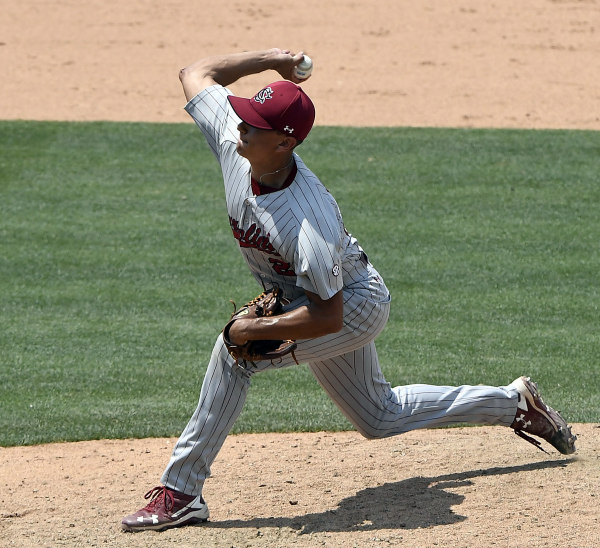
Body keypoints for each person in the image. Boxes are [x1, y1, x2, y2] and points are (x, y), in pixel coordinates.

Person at [121, 48, 576, 532]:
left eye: (254, 124)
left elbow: (329, 317)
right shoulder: (239, 142)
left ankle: (181, 492)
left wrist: (258, 327)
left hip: (353, 304)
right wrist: (272, 59)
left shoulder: (307, 221)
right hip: (310, 295)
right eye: (243, 116)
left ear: (283, 143)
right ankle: (512, 402)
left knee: (235, 351)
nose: (239, 126)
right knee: (379, 416)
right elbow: (197, 73)